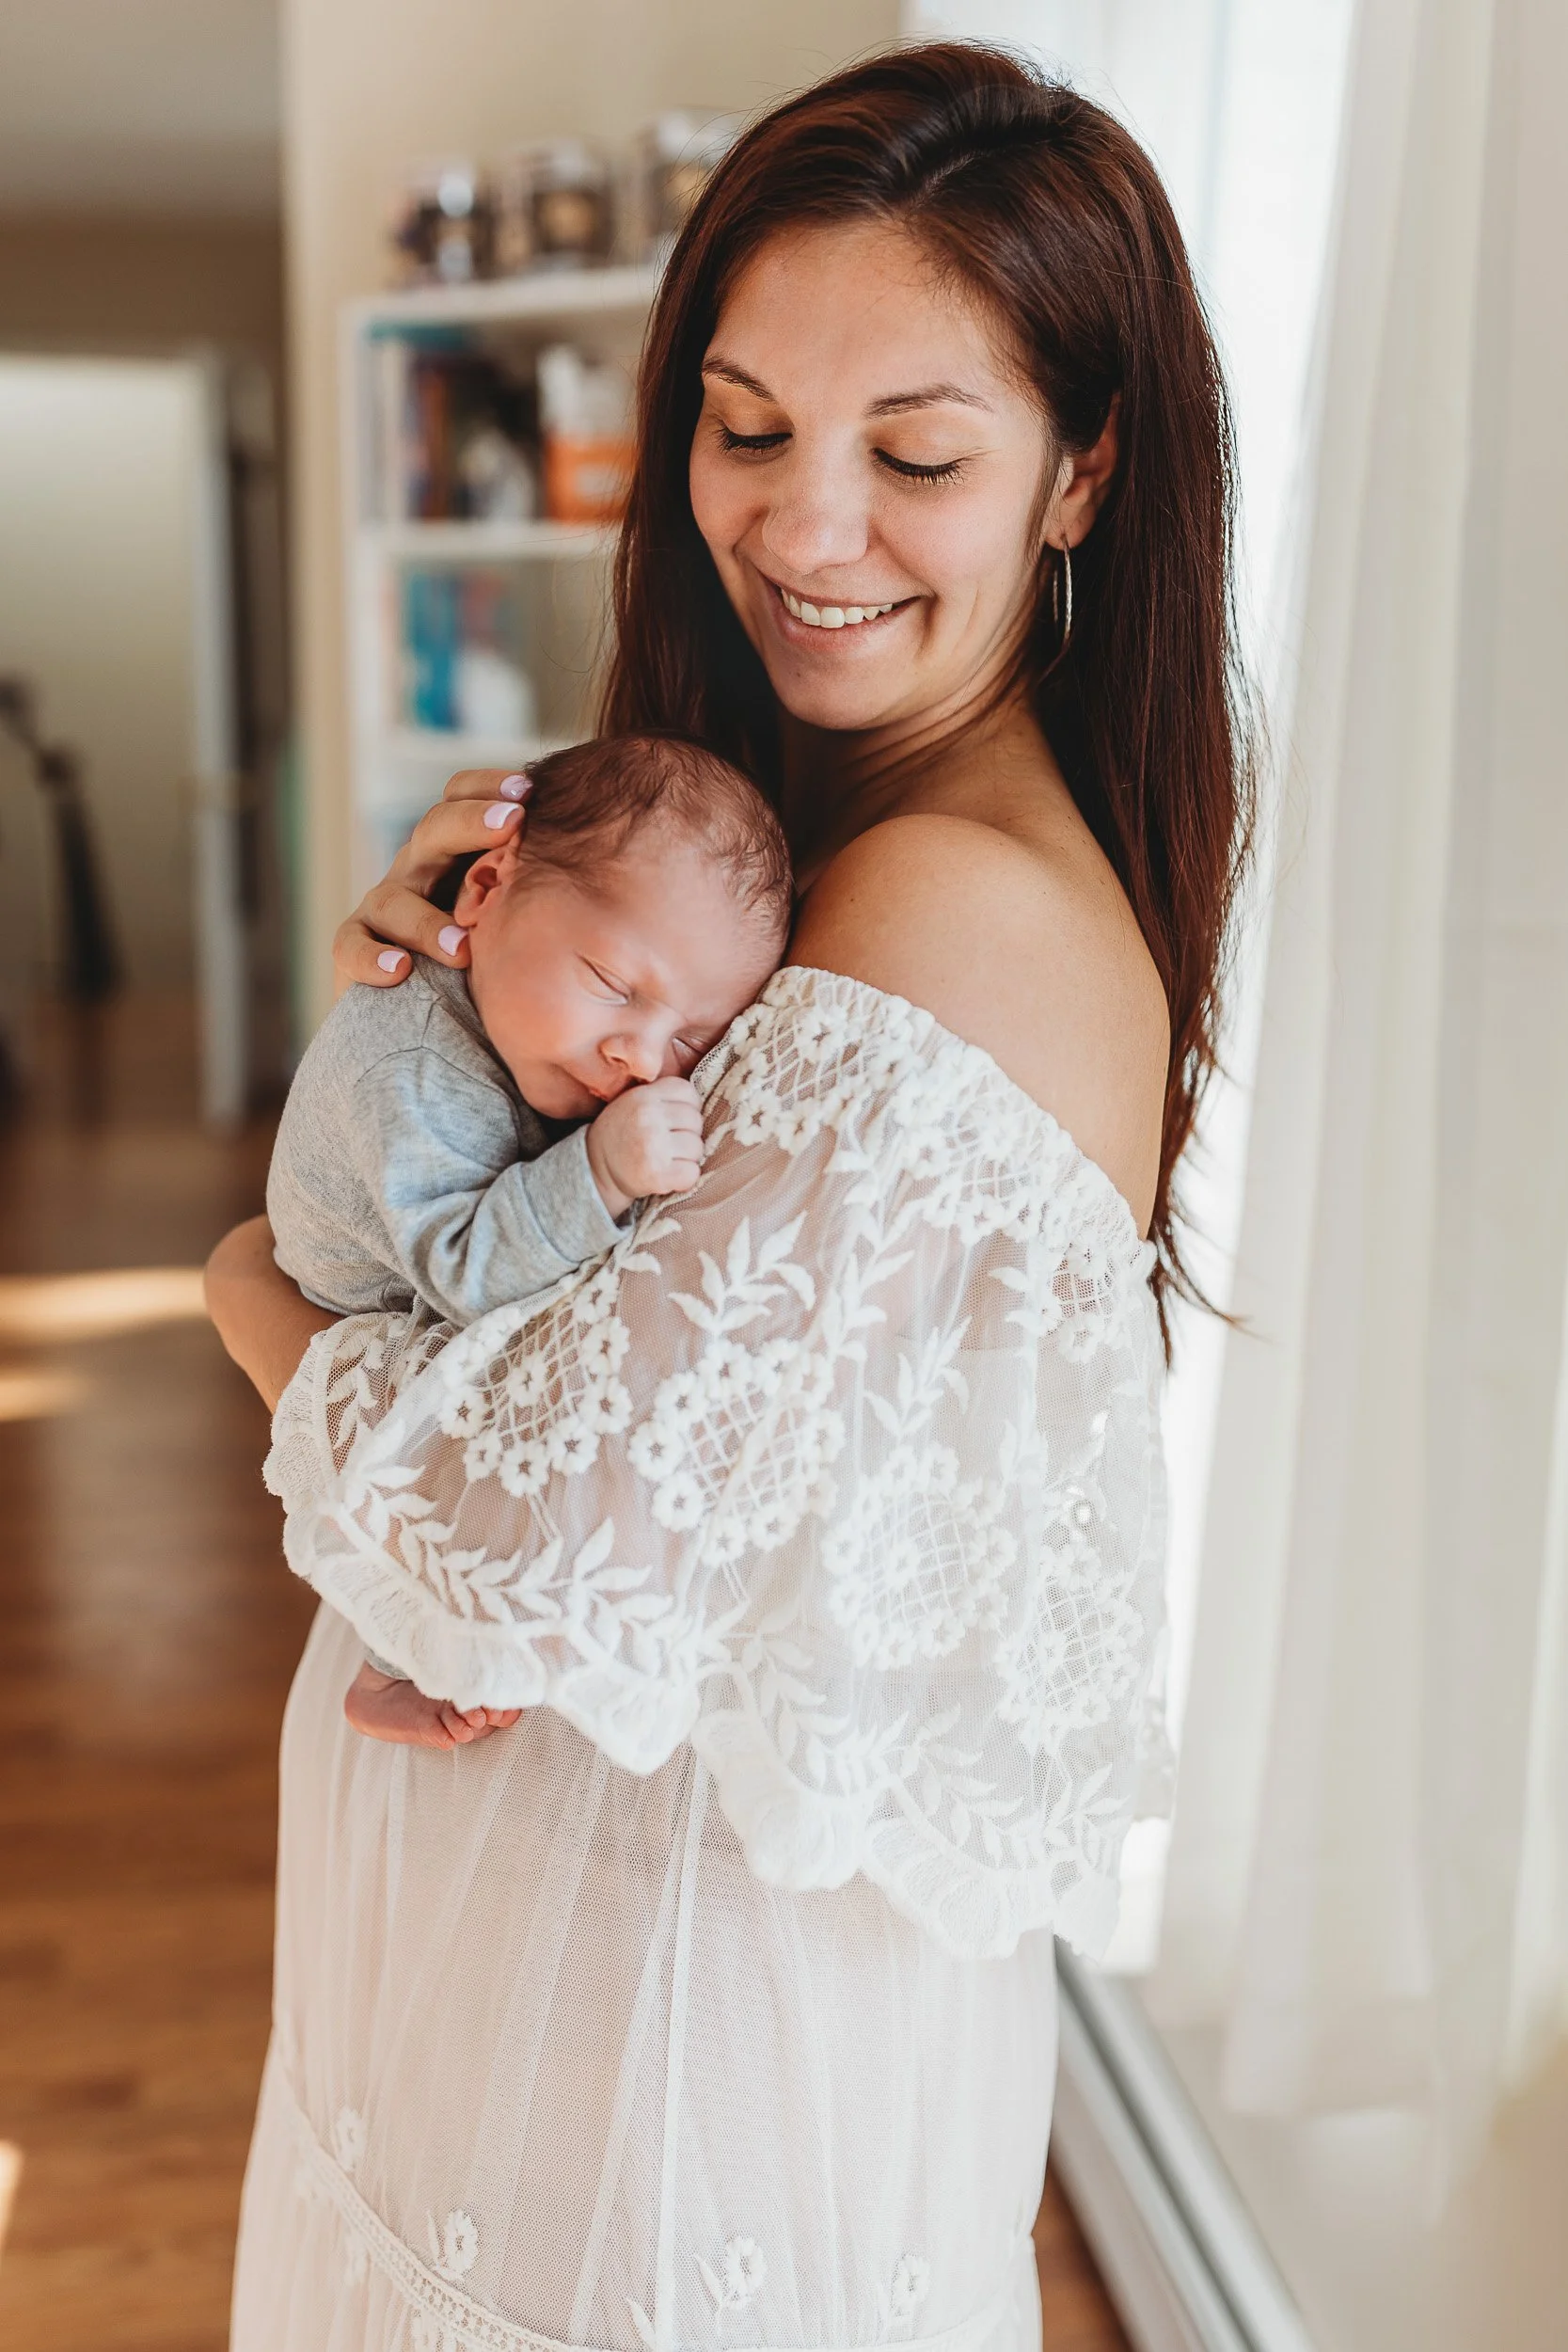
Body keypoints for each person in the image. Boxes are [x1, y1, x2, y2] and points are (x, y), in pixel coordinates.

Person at [207, 43, 1251, 2352]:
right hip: (533, 2016)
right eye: (749, 423)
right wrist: (428, 1045)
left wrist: (240, 1283)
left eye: (919, 452)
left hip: (661, 2098)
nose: (800, 525)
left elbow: (510, 1519)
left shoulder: (950, 914)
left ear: (1082, 474)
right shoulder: (787, 852)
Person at [264, 734, 790, 1749]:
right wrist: (597, 1168)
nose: (640, 1054)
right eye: (609, 979)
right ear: (485, 890)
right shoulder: (414, 1071)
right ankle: (389, 1667)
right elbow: (462, 1271)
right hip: (369, 1301)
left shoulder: (525, 1020)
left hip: (436, 1255)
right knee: (415, 1474)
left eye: (690, 1040)